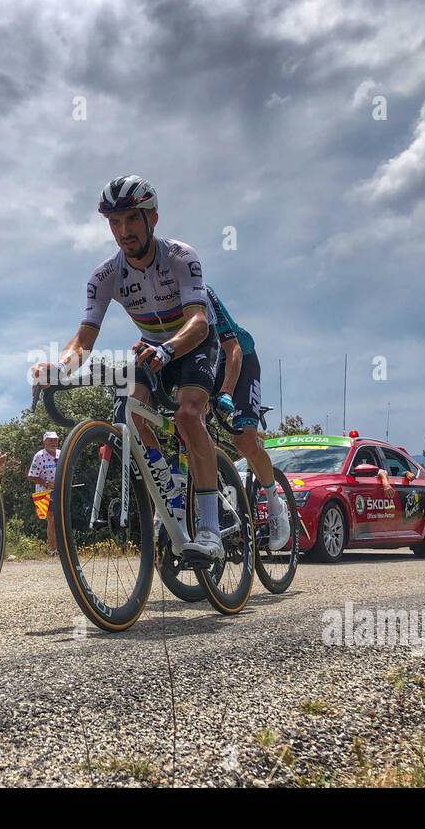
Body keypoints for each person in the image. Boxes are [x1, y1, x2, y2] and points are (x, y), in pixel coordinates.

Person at [30, 175, 223, 561]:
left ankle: (210, 530)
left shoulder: (181, 256)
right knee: (130, 414)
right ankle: (168, 488)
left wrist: (169, 349)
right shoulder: (105, 276)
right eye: (114, 223)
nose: (123, 231)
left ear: (152, 218)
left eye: (131, 219)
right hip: (152, 349)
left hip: (194, 345)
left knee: (187, 415)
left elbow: (199, 321)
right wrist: (58, 368)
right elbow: (84, 339)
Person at [204, 285, 291, 549]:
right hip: (207, 366)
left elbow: (233, 350)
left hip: (240, 359)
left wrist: (227, 393)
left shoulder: (202, 292)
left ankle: (276, 504)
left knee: (244, 441)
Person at [27, 431, 60, 556]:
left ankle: (60, 548)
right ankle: (53, 549)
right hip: (44, 492)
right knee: (51, 519)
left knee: (59, 519)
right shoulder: (39, 456)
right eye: (50, 440)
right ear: (44, 442)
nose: (53, 443)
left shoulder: (60, 453)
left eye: (55, 440)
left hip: (59, 490)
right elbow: (31, 476)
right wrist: (46, 483)